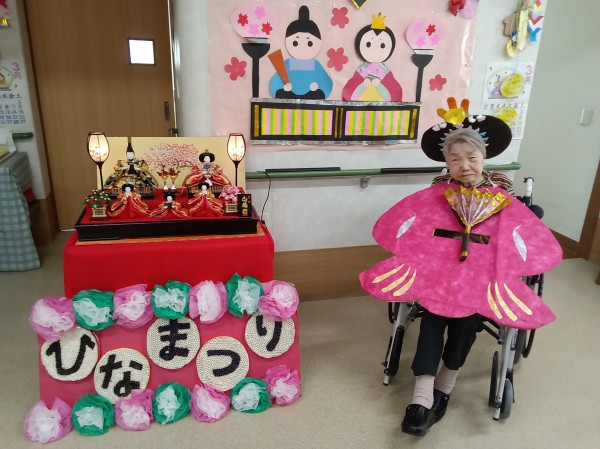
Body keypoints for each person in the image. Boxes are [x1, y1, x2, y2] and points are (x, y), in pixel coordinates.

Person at [401, 117, 514, 437]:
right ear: (446, 162)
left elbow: (511, 229)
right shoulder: (439, 185)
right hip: (443, 267)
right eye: (455, 159)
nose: (464, 166)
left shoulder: (501, 184)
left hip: (483, 270)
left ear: (483, 157)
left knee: (466, 319)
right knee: (432, 314)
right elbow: (426, 224)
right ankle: (421, 397)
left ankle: (444, 386)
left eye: (472, 158)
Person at [269, 5, 333, 100]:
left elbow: (325, 85)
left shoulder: (315, 64)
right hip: (290, 94)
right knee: (281, 93)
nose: (302, 47)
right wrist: (284, 87)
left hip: (310, 95)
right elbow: (275, 83)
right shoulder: (288, 63)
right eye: (295, 42)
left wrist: (316, 87)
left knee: (318, 94)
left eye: (309, 43)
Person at [342, 13, 403, 102]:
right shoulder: (362, 68)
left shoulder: (384, 70)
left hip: (381, 106)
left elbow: (392, 91)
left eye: (382, 46)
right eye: (368, 44)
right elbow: (352, 90)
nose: (375, 49)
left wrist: (379, 86)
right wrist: (364, 85)